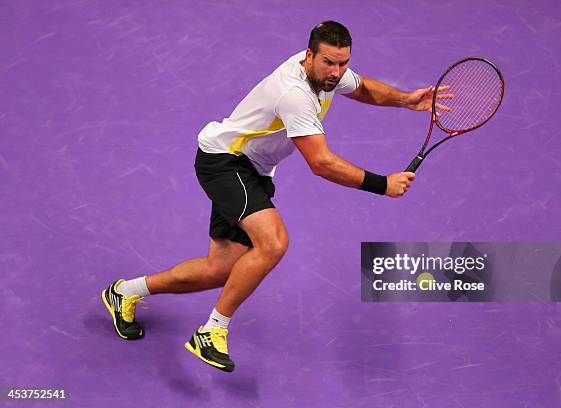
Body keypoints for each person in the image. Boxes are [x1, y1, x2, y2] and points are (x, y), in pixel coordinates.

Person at [102, 20, 451, 372]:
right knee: (273, 243)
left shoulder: (327, 74)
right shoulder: (295, 95)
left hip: (253, 170)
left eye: (343, 63)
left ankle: (125, 292)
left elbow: (360, 88)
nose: (337, 72)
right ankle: (212, 332)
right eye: (329, 62)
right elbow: (322, 163)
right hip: (226, 162)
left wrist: (406, 100)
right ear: (309, 55)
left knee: (220, 271)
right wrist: (382, 184)